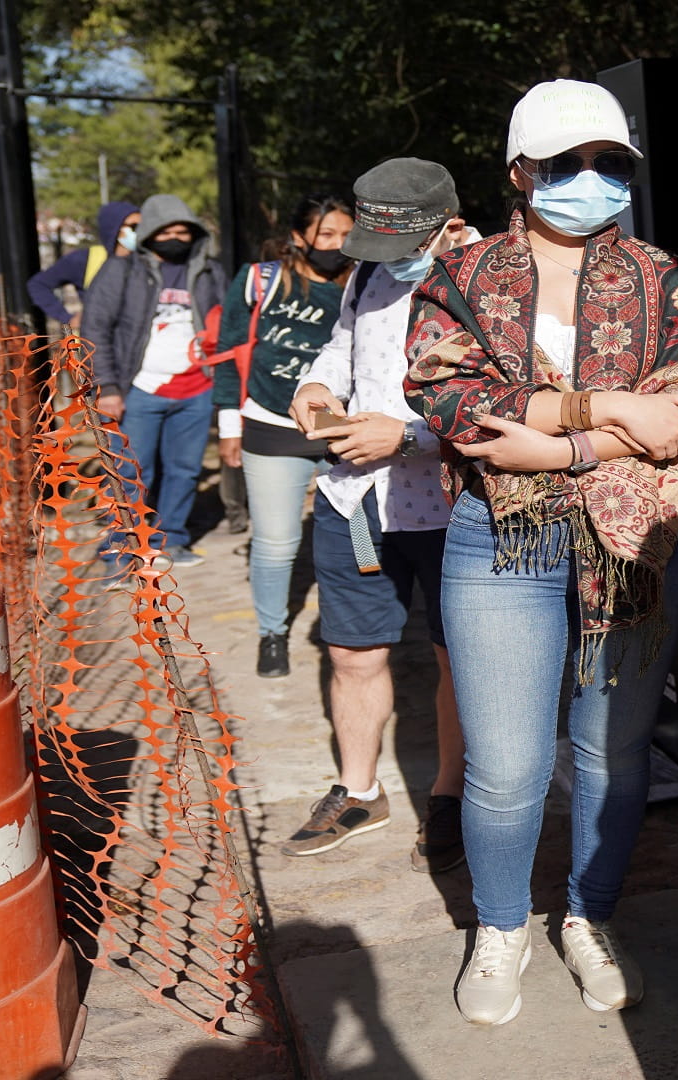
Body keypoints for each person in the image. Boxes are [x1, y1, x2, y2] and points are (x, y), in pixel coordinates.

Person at [401, 80, 678, 1027]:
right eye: (565, 165)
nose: (589, 181)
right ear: (519, 174)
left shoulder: (659, 275)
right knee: (508, 765)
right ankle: (502, 926)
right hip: (498, 543)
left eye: (609, 164)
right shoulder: (460, 281)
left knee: (613, 749)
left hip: (637, 542)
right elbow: (446, 399)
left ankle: (591, 917)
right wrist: (608, 410)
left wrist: (563, 444)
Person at [280, 160, 477, 873]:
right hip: (353, 498)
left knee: (460, 660)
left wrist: (410, 438)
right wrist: (315, 383)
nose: (382, 263)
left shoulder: (493, 281)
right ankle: (359, 790)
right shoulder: (367, 274)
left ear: (447, 227)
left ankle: (452, 796)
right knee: (351, 652)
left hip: (454, 505)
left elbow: (516, 404)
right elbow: (344, 343)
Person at [211, 193, 355, 677]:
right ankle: (272, 633)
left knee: (362, 530)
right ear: (300, 237)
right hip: (271, 423)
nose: (338, 245)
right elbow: (229, 349)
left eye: (346, 235)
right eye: (327, 234)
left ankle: (362, 627)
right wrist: (228, 426)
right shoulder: (261, 281)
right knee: (276, 542)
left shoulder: (363, 282)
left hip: (342, 426)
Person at [81, 194, 225, 570]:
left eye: (184, 232)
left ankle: (172, 539)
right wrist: (107, 387)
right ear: (149, 235)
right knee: (130, 471)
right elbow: (95, 329)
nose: (176, 238)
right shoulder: (120, 271)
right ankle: (121, 549)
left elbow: (225, 327)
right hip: (139, 390)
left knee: (184, 469)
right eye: (167, 232)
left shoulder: (210, 272)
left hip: (196, 389)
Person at [26, 201, 141, 332]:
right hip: (94, 346)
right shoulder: (84, 260)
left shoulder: (147, 259)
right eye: (134, 226)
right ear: (114, 228)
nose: (140, 231)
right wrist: (66, 318)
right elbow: (38, 284)